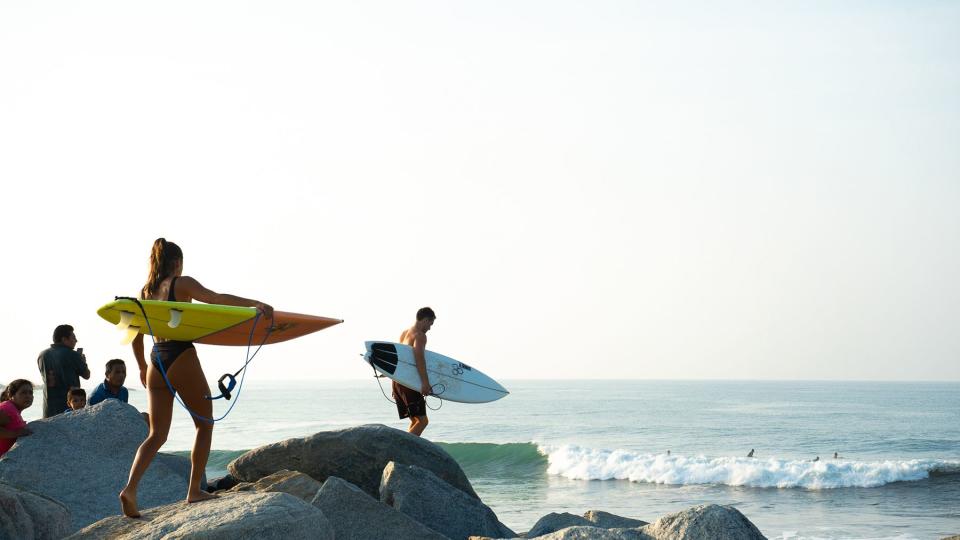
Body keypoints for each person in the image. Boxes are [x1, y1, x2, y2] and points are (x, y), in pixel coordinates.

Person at [120, 238, 273, 518]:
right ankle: (194, 490)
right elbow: (215, 300)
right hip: (180, 356)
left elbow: (132, 329)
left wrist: (141, 366)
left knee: (156, 435)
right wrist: (254, 304)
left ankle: (130, 489)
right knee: (204, 424)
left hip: (156, 360)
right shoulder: (182, 283)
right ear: (176, 262)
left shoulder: (146, 291)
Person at [392, 307, 436, 437]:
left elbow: (399, 359)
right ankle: (401, 449)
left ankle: (403, 450)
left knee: (415, 420)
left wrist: (392, 379)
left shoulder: (405, 333)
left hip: (398, 382)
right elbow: (419, 359)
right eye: (430, 323)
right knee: (423, 421)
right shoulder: (420, 336)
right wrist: (425, 383)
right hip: (408, 384)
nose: (430, 328)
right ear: (425, 320)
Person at [37, 325, 91, 418]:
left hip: (49, 409)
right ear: (64, 339)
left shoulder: (42, 355)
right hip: (70, 408)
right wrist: (83, 362)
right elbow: (86, 375)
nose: (76, 340)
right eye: (73, 337)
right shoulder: (73, 354)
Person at [0, 379, 34, 457]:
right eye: (23, 392)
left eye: (30, 392)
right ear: (11, 395)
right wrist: (16, 433)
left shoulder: (13, 409)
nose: (28, 396)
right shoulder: (7, 408)